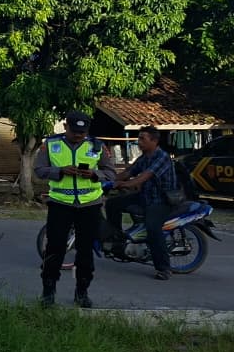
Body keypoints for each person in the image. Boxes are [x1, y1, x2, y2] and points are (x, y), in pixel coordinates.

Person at [34, 111, 116, 308]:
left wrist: (94, 174)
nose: (78, 135)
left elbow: (111, 173)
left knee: (85, 251)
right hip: (60, 204)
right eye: (74, 131)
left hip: (89, 205)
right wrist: (60, 171)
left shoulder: (97, 146)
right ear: (65, 127)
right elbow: (39, 170)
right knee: (54, 249)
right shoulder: (51, 145)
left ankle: (82, 292)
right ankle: (48, 291)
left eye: (82, 132)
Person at [105, 125, 177, 281]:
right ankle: (117, 239)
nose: (139, 142)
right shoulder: (144, 157)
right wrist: (106, 180)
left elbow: (144, 177)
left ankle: (164, 268)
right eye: (139, 138)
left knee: (153, 228)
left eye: (142, 139)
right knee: (112, 204)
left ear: (154, 141)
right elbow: (128, 172)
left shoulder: (162, 157)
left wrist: (123, 184)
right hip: (144, 196)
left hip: (161, 200)